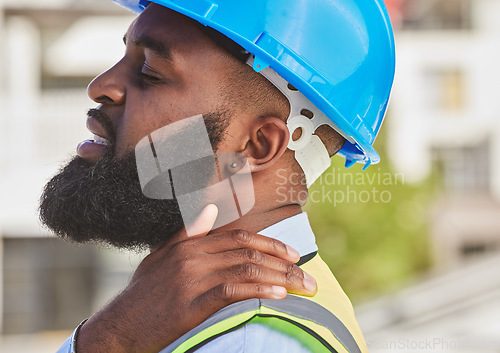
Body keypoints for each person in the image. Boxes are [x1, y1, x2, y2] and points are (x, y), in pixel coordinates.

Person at [46, 0, 395, 352]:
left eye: (150, 72)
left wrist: (110, 340)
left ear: (258, 145)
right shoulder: (179, 312)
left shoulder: (251, 340)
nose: (101, 86)